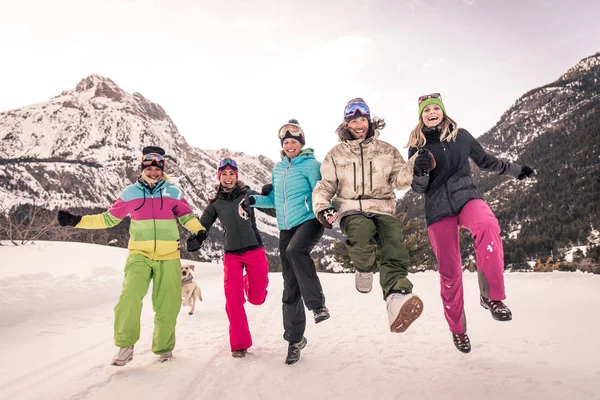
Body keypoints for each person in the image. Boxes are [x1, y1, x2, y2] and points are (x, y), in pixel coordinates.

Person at [406, 93, 536, 353]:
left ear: (443, 112)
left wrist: (517, 170)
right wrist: (420, 170)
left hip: (467, 197)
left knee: (488, 225)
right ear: (421, 117)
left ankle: (493, 298)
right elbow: (418, 188)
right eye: (426, 110)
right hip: (438, 210)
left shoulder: (461, 136)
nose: (432, 112)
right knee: (450, 273)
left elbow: (487, 161)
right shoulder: (416, 147)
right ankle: (458, 330)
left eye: (436, 108)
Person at [57, 146, 206, 365]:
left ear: (162, 168)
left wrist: (199, 231)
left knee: (168, 303)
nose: (153, 171)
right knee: (130, 296)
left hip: (168, 256)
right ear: (143, 166)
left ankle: (163, 347)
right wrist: (77, 220)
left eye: (158, 167)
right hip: (140, 254)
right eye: (149, 166)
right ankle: (125, 346)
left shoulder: (174, 192)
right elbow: (108, 219)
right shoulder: (130, 193)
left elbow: (187, 216)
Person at [312, 97, 424, 334]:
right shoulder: (336, 154)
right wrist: (322, 207)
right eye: (354, 121)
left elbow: (400, 181)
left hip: (383, 206)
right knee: (361, 232)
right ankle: (363, 268)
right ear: (346, 124)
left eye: (363, 119)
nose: (359, 125)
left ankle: (397, 296)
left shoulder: (387, 150)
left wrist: (415, 163)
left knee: (393, 243)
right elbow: (325, 185)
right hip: (350, 207)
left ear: (370, 121)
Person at [240, 119, 329, 365]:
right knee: (290, 285)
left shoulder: (312, 165)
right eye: (286, 142)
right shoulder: (278, 170)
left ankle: (317, 305)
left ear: (302, 143)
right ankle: (295, 340)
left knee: (295, 250)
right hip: (285, 228)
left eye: (294, 141)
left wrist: (326, 211)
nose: (290, 145)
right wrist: (255, 201)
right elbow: (276, 202)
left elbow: (321, 193)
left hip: (310, 220)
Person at [186, 158, 271, 358]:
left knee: (257, 298)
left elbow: (270, 207)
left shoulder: (247, 195)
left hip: (254, 250)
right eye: (224, 174)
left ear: (237, 176)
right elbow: (204, 223)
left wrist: (270, 194)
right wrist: (197, 237)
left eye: (231, 173)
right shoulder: (216, 202)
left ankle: (246, 281)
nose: (228, 177)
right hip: (232, 254)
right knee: (233, 300)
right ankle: (240, 344)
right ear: (219, 177)